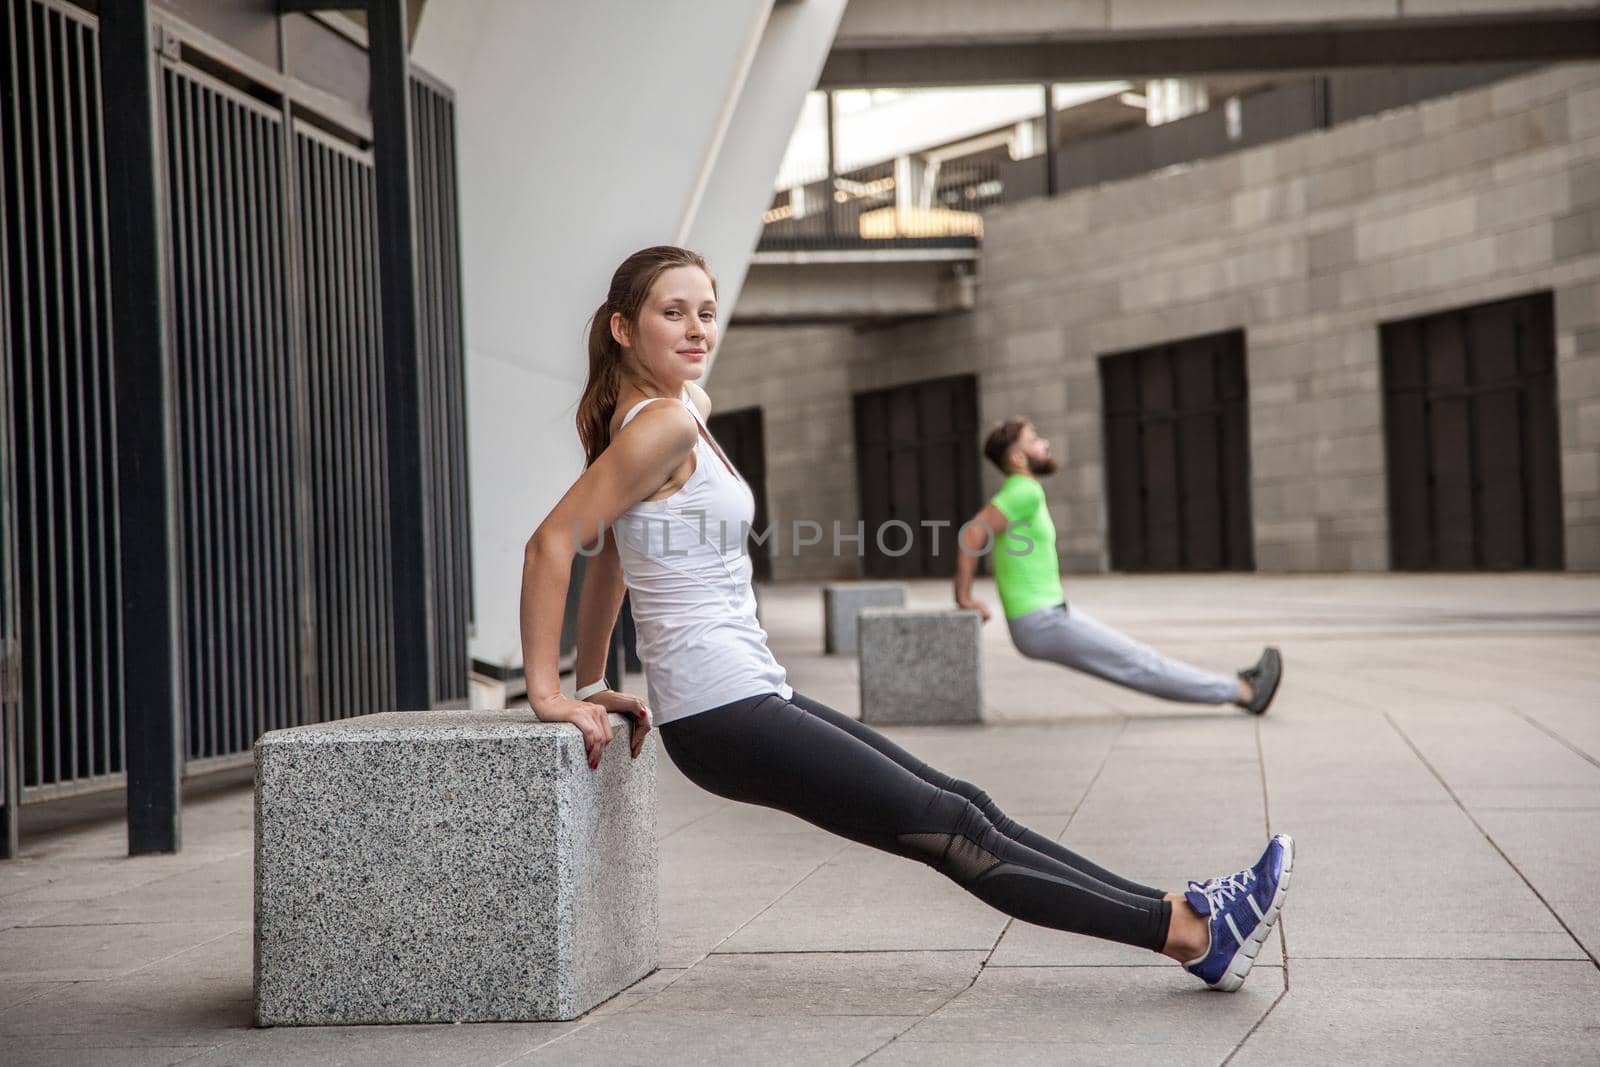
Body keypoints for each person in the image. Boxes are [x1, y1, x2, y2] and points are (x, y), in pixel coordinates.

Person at [519, 246, 1294, 993]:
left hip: (743, 693)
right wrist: (553, 693)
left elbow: (610, 547)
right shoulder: (667, 425)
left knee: (966, 807)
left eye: (708, 313)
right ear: (624, 327)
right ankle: (1192, 935)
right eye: (673, 312)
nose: (697, 329)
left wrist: (596, 677)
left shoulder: (675, 410)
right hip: (721, 710)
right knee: (951, 832)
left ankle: (1188, 915)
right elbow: (555, 542)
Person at [955, 416, 1283, 715]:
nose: (1045, 444)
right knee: (1139, 663)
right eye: (1034, 440)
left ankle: (1238, 689)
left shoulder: (1024, 492)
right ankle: (1242, 692)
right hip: (1040, 619)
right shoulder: (1023, 491)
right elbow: (972, 533)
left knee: (1137, 660)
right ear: (1017, 458)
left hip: (1047, 616)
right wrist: (965, 597)